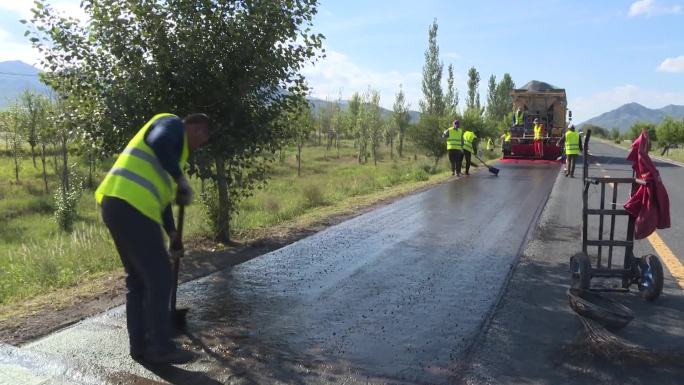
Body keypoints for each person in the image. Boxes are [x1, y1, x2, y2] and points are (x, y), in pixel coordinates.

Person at [95, 113, 210, 364]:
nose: (200, 145)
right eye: (202, 138)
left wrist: (172, 234)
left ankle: (141, 348)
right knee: (159, 276)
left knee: (137, 281)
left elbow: (162, 200)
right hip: (131, 207)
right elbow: (158, 141)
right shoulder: (170, 124)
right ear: (197, 129)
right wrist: (181, 179)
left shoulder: (173, 154)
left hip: (115, 204)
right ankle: (162, 346)